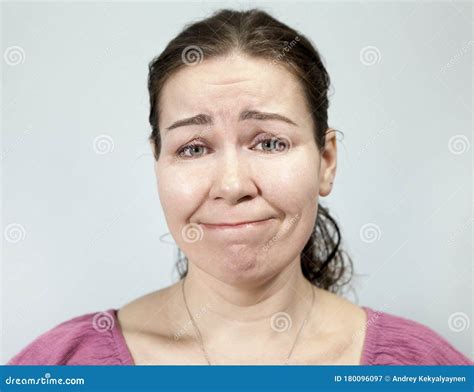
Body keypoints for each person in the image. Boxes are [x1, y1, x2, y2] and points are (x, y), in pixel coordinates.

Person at [7, 8, 472, 366]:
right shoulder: (62, 366)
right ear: (157, 164)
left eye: (269, 142)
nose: (231, 186)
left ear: (326, 161)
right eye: (193, 148)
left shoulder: (421, 367)